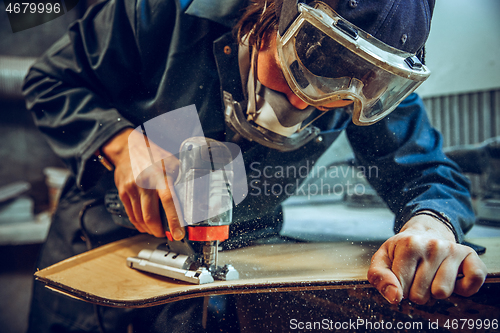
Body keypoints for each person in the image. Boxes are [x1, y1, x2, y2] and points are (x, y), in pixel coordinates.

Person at [23, 0, 487, 331]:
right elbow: (49, 80)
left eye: (338, 101)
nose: (308, 104)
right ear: (269, 13)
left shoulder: (370, 79)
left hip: (243, 264)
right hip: (106, 243)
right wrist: (119, 143)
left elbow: (428, 174)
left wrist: (431, 227)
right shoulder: (160, 12)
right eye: (300, 75)